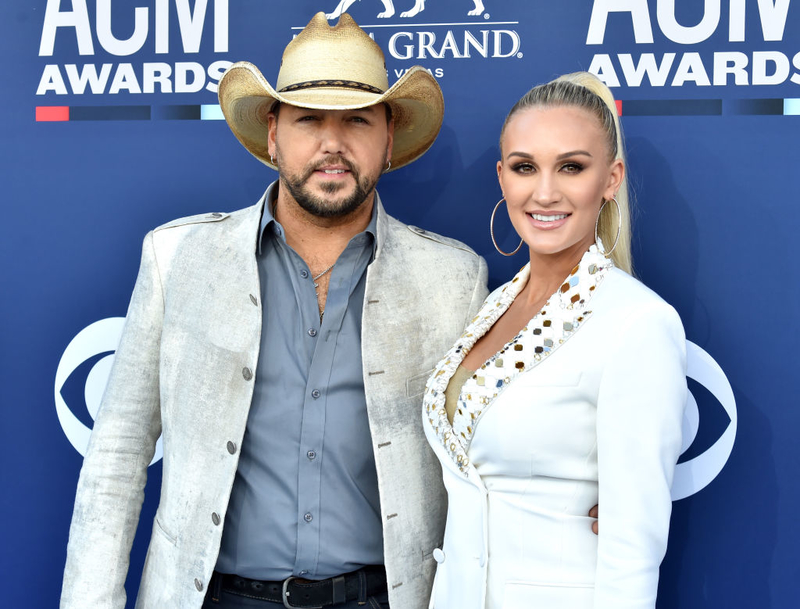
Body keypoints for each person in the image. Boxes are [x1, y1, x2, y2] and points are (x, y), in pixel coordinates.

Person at [60, 13, 490, 609]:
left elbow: (485, 463)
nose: (332, 144)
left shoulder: (454, 279)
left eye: (357, 121)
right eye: (308, 119)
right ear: (272, 133)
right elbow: (117, 455)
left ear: (388, 137)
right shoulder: (177, 258)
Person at [422, 72, 687, 609]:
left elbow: (632, 552)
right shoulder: (491, 305)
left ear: (610, 179)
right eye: (525, 168)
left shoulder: (638, 324)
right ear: (502, 178)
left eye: (571, 167)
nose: (544, 192)